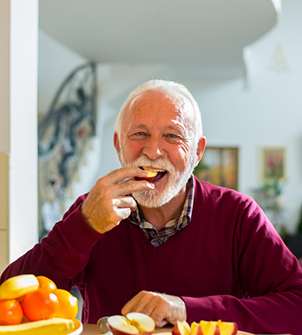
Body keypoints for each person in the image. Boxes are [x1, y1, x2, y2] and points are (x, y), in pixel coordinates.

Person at [1, 80, 302, 334]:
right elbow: (10, 302)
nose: (153, 151)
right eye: (139, 134)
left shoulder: (237, 215)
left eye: (172, 136)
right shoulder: (92, 210)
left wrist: (186, 309)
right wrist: (83, 227)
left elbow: (297, 304)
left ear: (197, 151)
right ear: (119, 145)